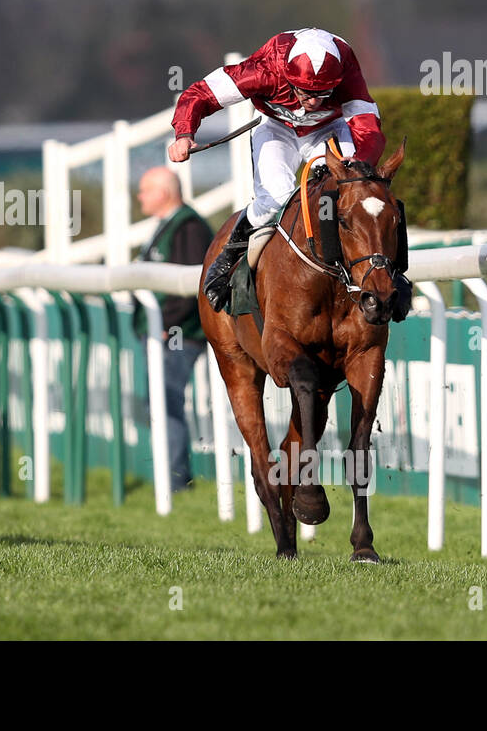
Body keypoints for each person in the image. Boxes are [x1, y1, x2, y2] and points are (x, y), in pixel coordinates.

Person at [167, 27, 410, 317]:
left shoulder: (345, 66)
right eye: (307, 93)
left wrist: (355, 166)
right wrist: (184, 132)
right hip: (276, 129)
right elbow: (200, 93)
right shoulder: (264, 69)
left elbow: (368, 126)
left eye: (323, 94)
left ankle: (395, 275)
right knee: (276, 198)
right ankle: (230, 254)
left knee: (353, 193)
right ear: (288, 78)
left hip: (329, 130)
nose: (314, 103)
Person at [135, 166, 213, 492]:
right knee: (160, 403)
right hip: (161, 332)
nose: (139, 197)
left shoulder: (189, 227)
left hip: (179, 334)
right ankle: (173, 479)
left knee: (167, 402)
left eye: (145, 190)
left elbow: (193, 282)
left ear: (164, 192)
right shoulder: (167, 225)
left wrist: (169, 326)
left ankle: (177, 482)